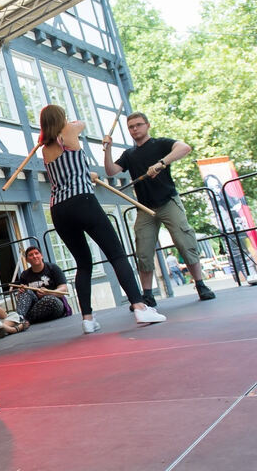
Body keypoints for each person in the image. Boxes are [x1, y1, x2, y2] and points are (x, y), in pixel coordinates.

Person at [39, 106, 166, 332]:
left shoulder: (46, 148)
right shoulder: (67, 132)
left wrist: (89, 175)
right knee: (116, 253)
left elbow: (67, 173)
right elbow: (81, 124)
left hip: (59, 208)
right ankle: (139, 306)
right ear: (60, 119)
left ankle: (87, 319)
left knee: (83, 263)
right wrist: (66, 122)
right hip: (82, 201)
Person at [102, 112, 216, 304]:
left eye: (138, 125)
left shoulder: (160, 144)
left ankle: (200, 284)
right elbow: (111, 171)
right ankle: (147, 295)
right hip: (145, 208)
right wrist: (107, 149)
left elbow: (185, 147)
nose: (135, 129)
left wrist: (162, 163)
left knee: (183, 240)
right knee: (143, 250)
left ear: (147, 125)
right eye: (131, 127)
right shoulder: (129, 154)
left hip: (168, 201)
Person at [14, 247, 71, 324]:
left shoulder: (53, 268)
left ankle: (23, 321)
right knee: (26, 291)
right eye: (31, 255)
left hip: (55, 304)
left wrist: (48, 293)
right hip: (35, 306)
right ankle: (20, 318)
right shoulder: (25, 275)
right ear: (27, 260)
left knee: (49, 299)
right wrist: (20, 293)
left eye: (36, 253)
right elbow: (21, 298)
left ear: (41, 256)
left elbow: (63, 289)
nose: (34, 256)